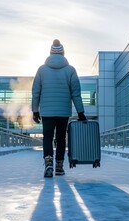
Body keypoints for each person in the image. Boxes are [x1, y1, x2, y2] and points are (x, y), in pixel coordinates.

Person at [31, 39, 87, 177]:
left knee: (48, 137)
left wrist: (35, 110)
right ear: (63, 53)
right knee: (61, 138)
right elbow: (76, 93)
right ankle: (59, 166)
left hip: (47, 112)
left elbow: (36, 92)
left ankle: (48, 161)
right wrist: (81, 112)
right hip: (63, 112)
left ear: (50, 53)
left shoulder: (41, 70)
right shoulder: (70, 70)